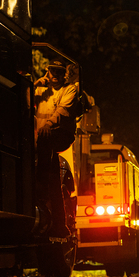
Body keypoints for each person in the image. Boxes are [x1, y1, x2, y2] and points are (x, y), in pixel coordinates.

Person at [34, 59, 78, 237]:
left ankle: (40, 193)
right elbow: (24, 99)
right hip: (41, 138)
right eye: (52, 71)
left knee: (46, 146)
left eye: (59, 72)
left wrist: (48, 125)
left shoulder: (69, 89)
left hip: (60, 135)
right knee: (54, 178)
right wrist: (34, 84)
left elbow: (62, 111)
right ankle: (59, 223)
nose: (55, 76)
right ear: (47, 72)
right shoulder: (40, 89)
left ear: (64, 74)